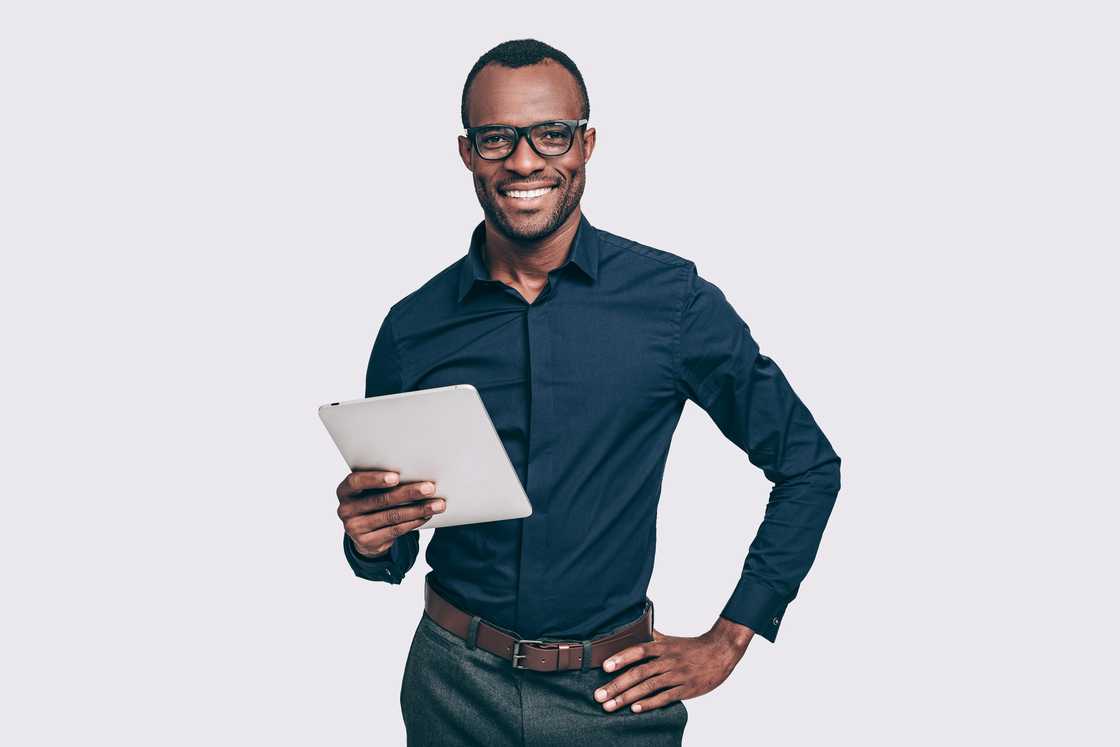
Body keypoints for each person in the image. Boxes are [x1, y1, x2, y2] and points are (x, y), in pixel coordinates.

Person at [334, 38, 842, 746]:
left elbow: (810, 465)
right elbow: (390, 552)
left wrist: (730, 637)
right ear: (466, 152)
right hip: (449, 689)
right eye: (495, 138)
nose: (523, 160)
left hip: (612, 698)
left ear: (586, 144)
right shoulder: (412, 328)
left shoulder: (673, 304)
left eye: (551, 134)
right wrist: (367, 538)